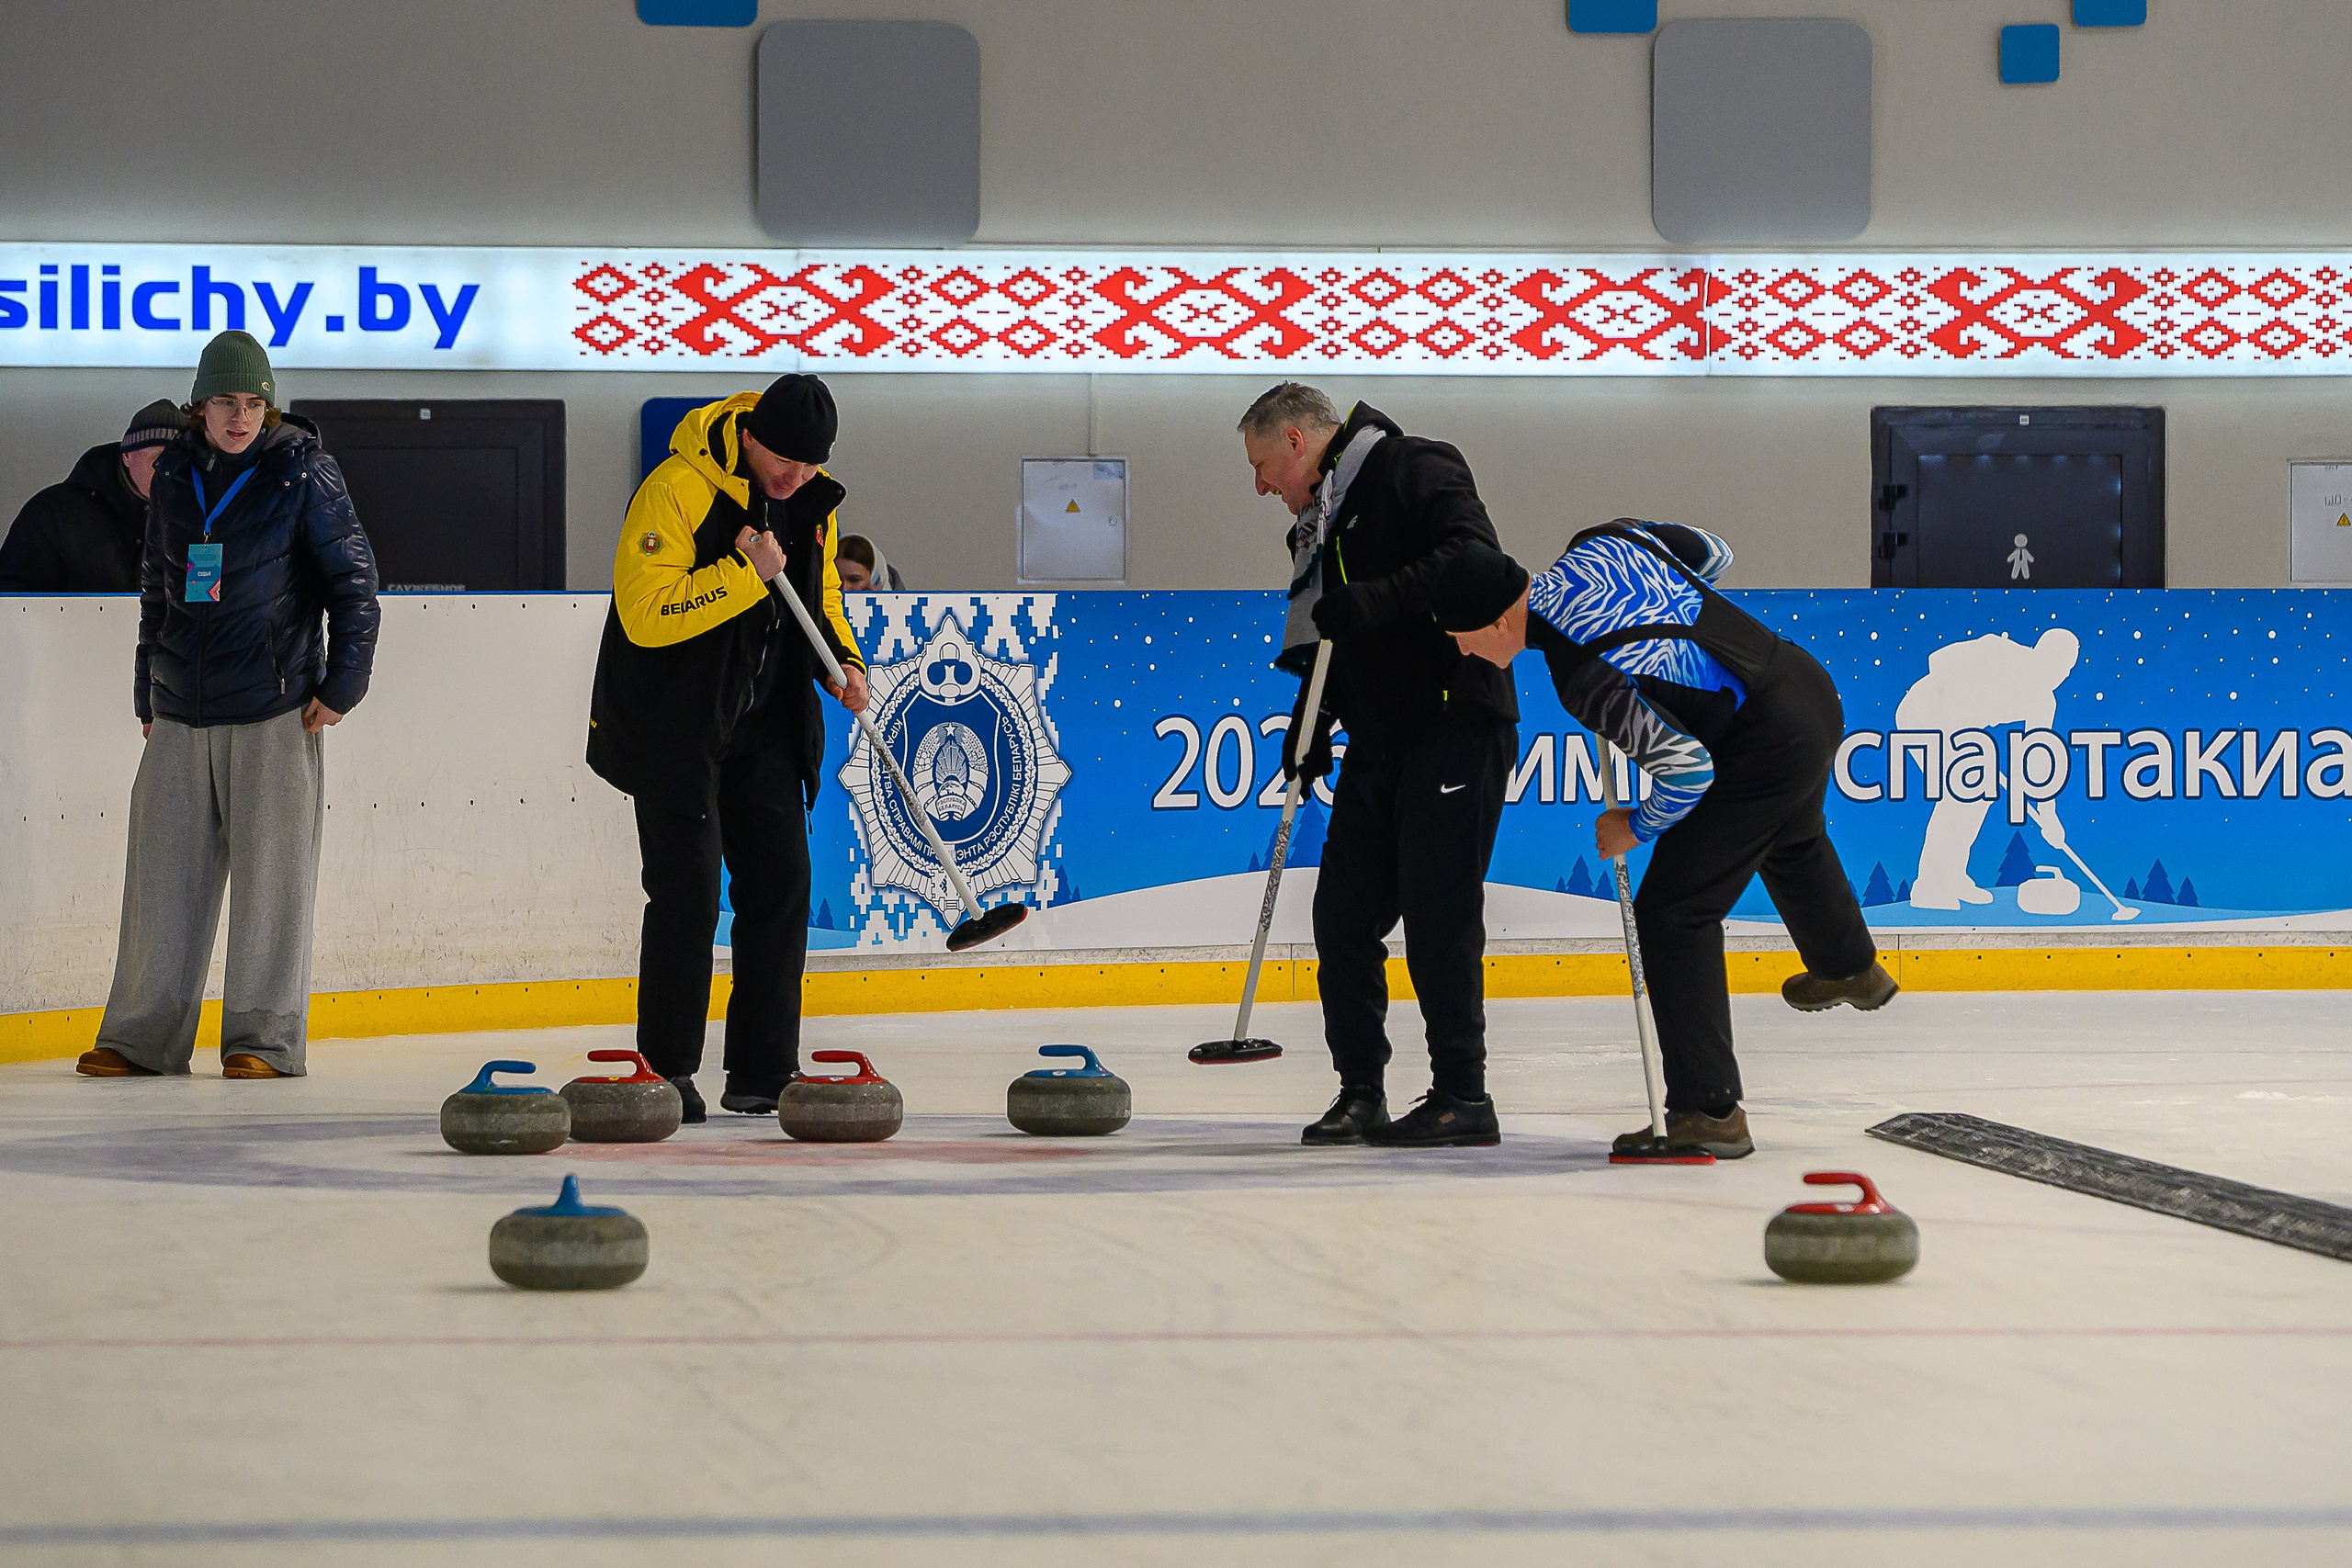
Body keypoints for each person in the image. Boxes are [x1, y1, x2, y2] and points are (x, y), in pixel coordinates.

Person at [1435, 523, 1896, 1158]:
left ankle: (1709, 1110)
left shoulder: (1583, 672)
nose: (1461, 654)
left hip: (1761, 737)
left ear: (1491, 624)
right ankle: (1850, 966)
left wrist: (1633, 823)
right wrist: (1671, 617)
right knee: (1789, 834)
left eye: (1458, 639)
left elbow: (1687, 772)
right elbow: (1713, 553)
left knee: (1674, 912)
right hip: (1801, 685)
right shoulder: (1601, 540)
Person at [78, 333, 379, 1079]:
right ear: (200, 407)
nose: (239, 415)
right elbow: (157, 587)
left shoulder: (305, 473)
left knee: (272, 884)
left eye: (252, 402)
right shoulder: (176, 476)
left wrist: (342, 686)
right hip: (179, 706)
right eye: (224, 401)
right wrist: (147, 683)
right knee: (161, 879)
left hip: (276, 706)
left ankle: (263, 1040)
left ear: (267, 408)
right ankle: (143, 1037)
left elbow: (356, 585)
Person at [1238, 383, 1518, 1149]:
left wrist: (1373, 601)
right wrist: (1312, 721)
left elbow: (1476, 560)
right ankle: (1361, 1090)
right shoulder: (1319, 522)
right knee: (1343, 917)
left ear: (1297, 441)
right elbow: (1334, 641)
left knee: (1438, 914)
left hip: (1456, 719)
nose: (1261, 485)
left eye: (1263, 465)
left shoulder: (1411, 465)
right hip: (1381, 736)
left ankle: (1464, 1093)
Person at [588, 374, 869, 1123]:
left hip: (768, 728)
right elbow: (645, 613)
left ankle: (763, 1069)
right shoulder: (675, 488)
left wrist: (844, 661)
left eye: (810, 466)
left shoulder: (812, 505)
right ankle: (670, 1067)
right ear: (749, 435)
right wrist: (745, 574)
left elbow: (821, 602)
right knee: (686, 896)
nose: (796, 477)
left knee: (782, 887)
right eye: (784, 461)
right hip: (678, 731)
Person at [1895, 628, 2081, 909]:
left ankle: (1952, 877)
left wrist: (2049, 816)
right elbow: (1938, 661)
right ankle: (1929, 888)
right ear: (2044, 654)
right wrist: (1965, 738)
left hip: (1966, 735)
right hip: (1924, 712)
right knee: (1960, 794)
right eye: (2062, 665)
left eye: (2069, 669)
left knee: (1978, 794)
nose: (2064, 675)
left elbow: (2039, 762)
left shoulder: (2044, 701)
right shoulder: (2002, 653)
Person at [0, 401, 187, 592]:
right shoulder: (54, 514)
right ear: (127, 457)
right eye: (157, 461)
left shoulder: (204, 516)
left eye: (180, 463)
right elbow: (13, 599)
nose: (170, 473)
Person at [834, 532, 904, 591]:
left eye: (854, 580)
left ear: (875, 580)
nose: (844, 589)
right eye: (836, 579)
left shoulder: (904, 605)